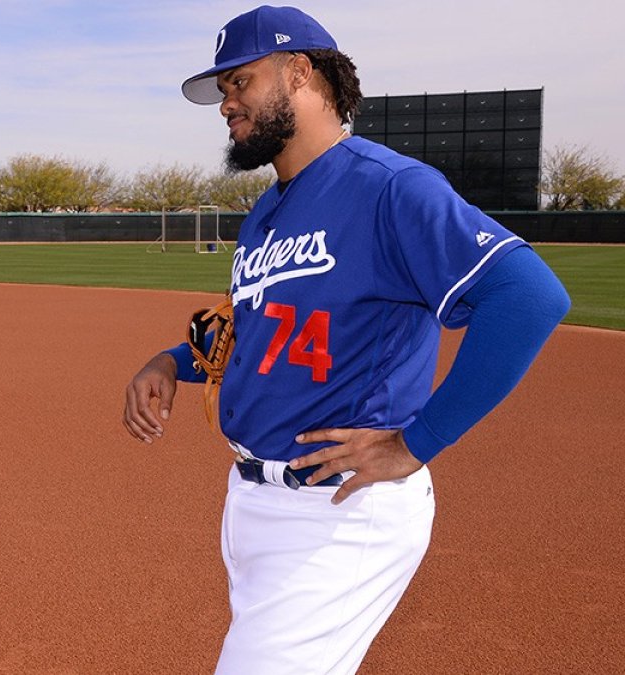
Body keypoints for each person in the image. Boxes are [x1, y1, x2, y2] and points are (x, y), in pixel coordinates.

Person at [122, 6, 570, 674]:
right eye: (222, 91)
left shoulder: (389, 187)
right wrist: (174, 360)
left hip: (335, 513)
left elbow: (530, 296)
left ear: (300, 71)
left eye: (240, 81)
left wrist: (419, 441)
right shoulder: (267, 213)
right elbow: (265, 337)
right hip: (255, 503)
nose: (226, 103)